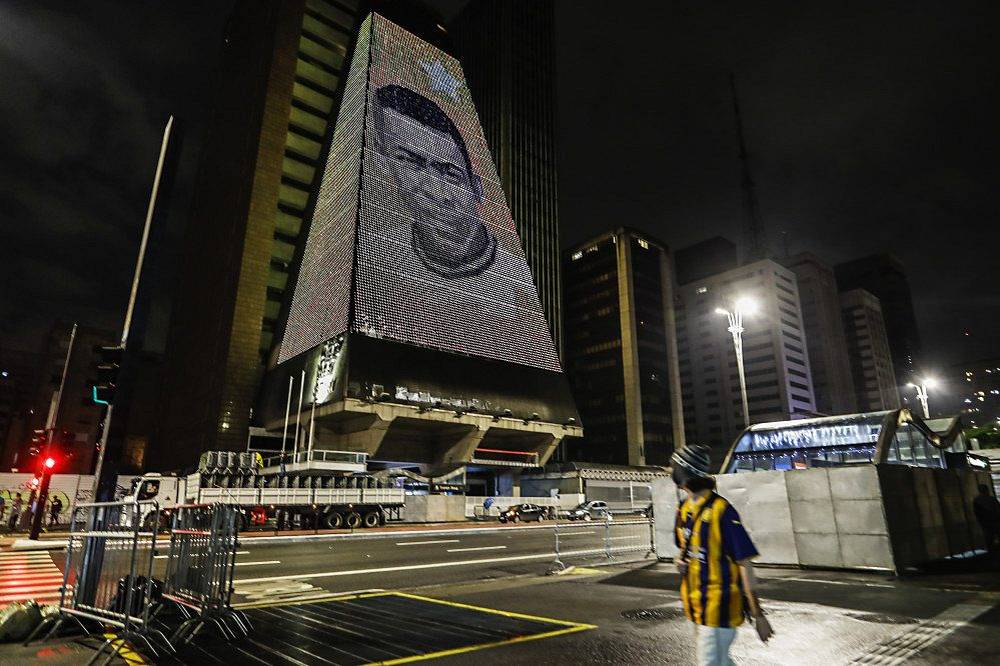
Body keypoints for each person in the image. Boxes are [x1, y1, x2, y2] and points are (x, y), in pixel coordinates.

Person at [373, 83, 497, 279]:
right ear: (383, 161)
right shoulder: (376, 256)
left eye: (451, 175)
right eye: (410, 162)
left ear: (477, 188)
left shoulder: (516, 278)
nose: (437, 193)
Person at [673, 445, 773, 665]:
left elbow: (744, 564)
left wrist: (757, 614)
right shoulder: (683, 509)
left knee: (710, 663)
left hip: (720, 607)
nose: (670, 470)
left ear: (685, 471)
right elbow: (686, 551)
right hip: (696, 606)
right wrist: (681, 561)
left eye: (675, 466)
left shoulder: (722, 511)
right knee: (721, 662)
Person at [972, 484, 1000, 553]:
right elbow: (998, 510)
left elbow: (977, 513)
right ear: (987, 490)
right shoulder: (992, 499)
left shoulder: (977, 501)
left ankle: (991, 553)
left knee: (989, 539)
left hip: (985, 523)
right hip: (995, 522)